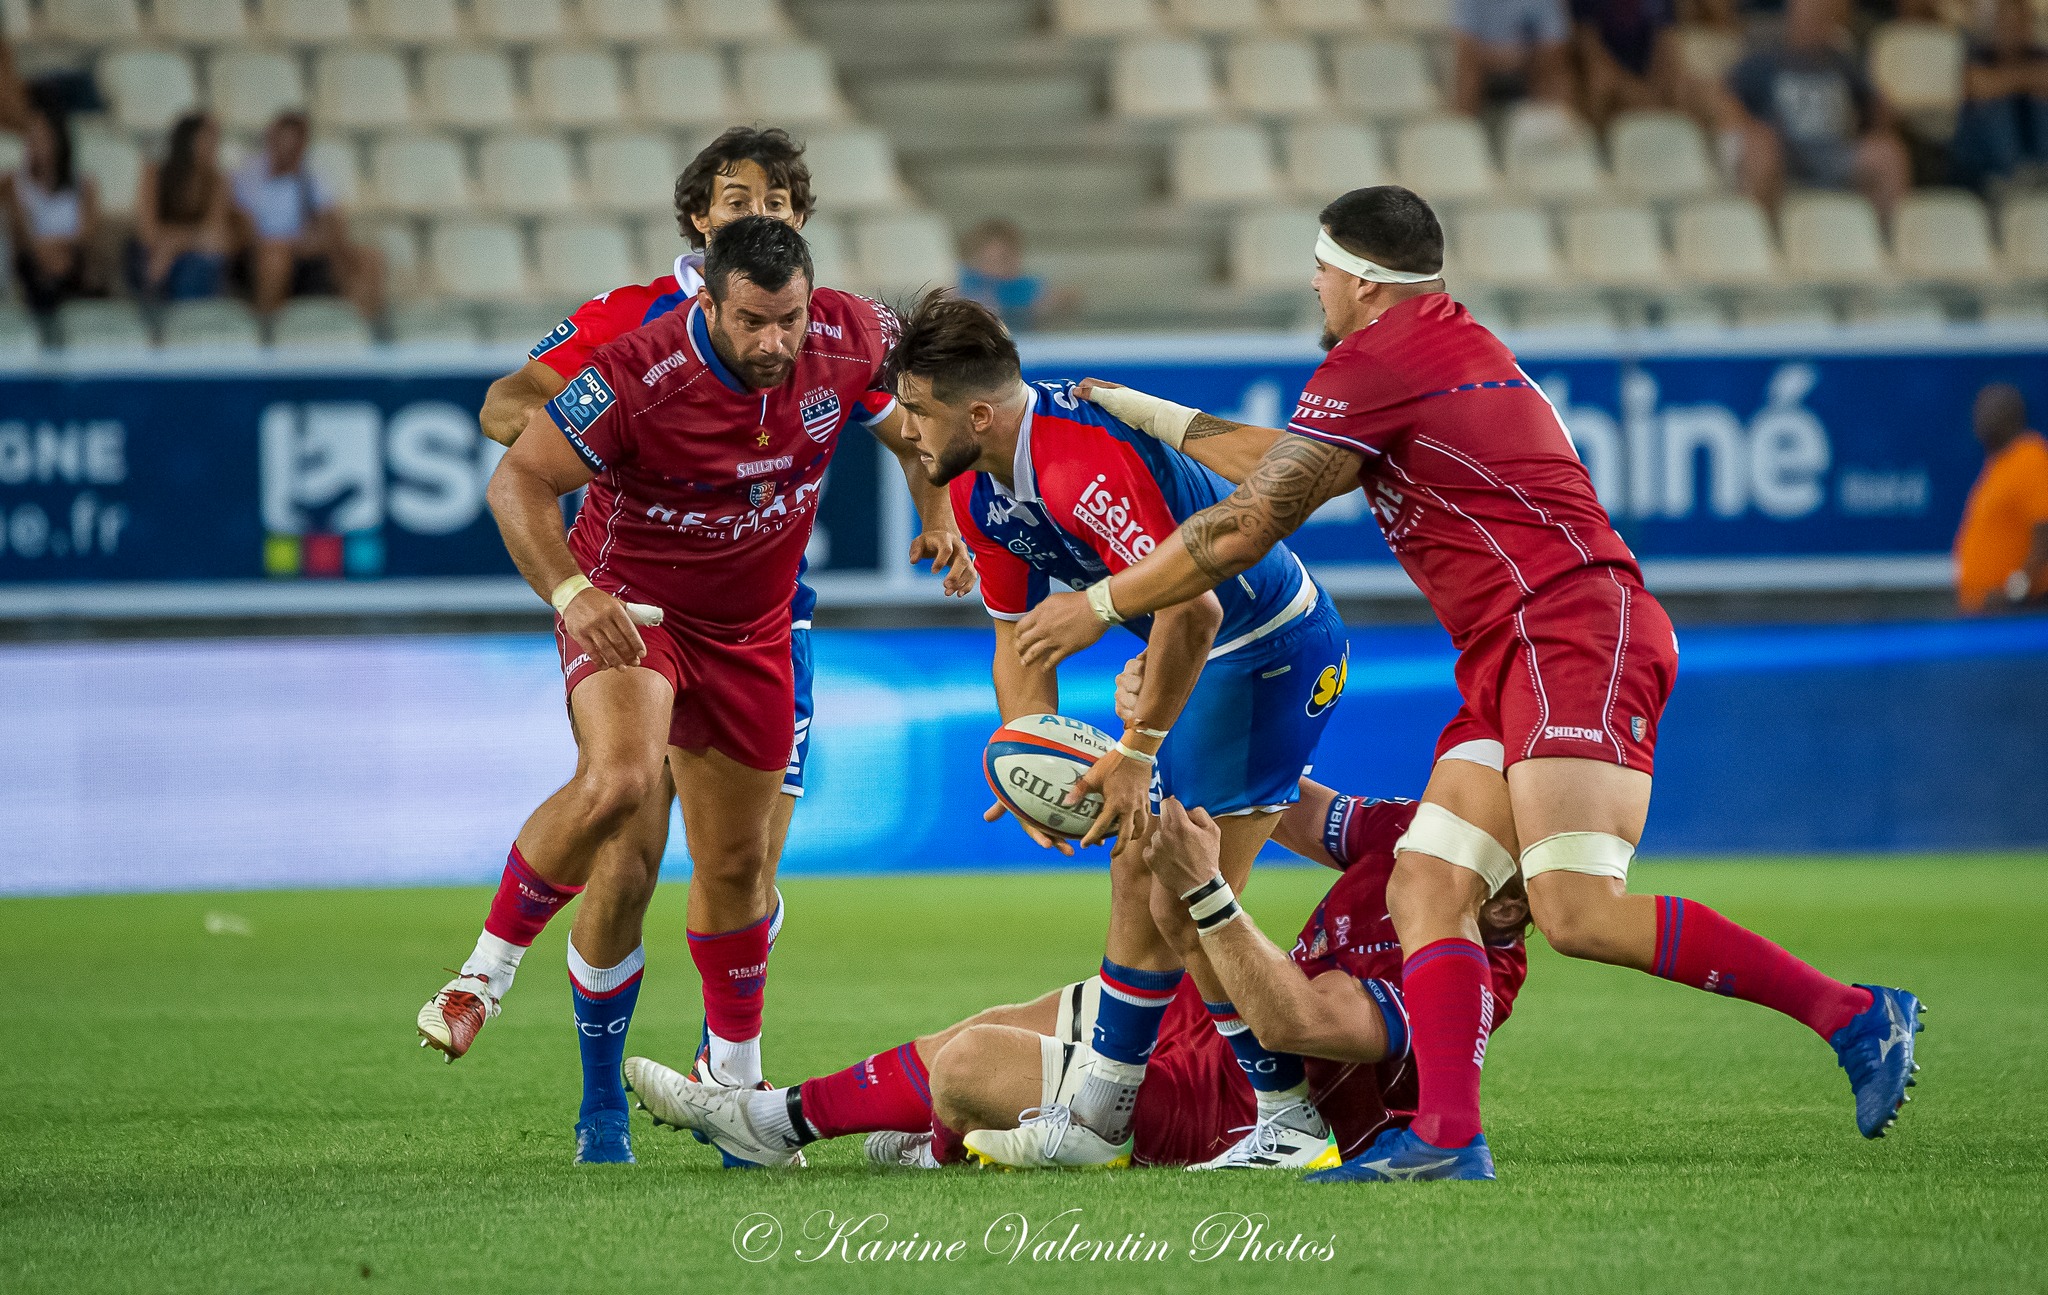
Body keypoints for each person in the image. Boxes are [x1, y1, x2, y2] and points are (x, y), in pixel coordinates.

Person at [1011, 185, 1923, 1182]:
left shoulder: (1380, 360)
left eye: (1320, 270)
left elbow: (1247, 521)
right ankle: (1447, 1136)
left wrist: (1100, 605)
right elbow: (1289, 466)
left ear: (1359, 281)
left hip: (1569, 629)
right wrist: (1156, 414)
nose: (1313, 286)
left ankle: (1854, 1012)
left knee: (1571, 908)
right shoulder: (1424, 348)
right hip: (1512, 648)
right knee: (1427, 883)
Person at [416, 129, 974, 1133]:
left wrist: (938, 511)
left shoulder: (843, 335)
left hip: (764, 623)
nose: (774, 340)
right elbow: (513, 438)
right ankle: (500, 998)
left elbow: (910, 418)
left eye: (773, 201)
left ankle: (736, 1096)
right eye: (733, 199)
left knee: (740, 870)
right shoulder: (636, 345)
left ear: (802, 228)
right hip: (631, 610)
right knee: (625, 809)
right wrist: (590, 436)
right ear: (701, 250)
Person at [856, 293, 1351, 1170]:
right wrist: (1028, 755)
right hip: (1211, 652)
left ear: (977, 412)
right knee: (1149, 880)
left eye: (919, 412)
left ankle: (1278, 1118)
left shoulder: (1077, 464)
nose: (906, 432)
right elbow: (1018, 638)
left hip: (1267, 647)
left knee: (1174, 885)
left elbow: (1194, 608)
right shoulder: (977, 484)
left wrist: (1135, 752)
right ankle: (1102, 1118)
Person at [622, 788, 1531, 1172]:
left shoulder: (1471, 977)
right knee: (1000, 1020)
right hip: (1215, 1010)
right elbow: (1286, 798)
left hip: (1256, 1096)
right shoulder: (1426, 833)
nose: (1517, 903)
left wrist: (1210, 889)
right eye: (1517, 873)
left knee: (970, 1065)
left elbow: (1297, 1021)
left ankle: (832, 1126)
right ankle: (794, 1124)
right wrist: (1156, 737)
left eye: (1535, 892)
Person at [1717, 0, 1911, 218]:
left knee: (1888, 155)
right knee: (1760, 147)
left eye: (1822, 16)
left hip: (1835, 153)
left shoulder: (1842, 63)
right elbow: (1727, 95)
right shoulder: (1765, 61)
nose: (1815, 22)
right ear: (1792, 17)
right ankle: (1758, 238)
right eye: (1809, 14)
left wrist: (1878, 124)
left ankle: (1886, 244)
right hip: (1785, 153)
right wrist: (1748, 127)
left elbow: (1874, 104)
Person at [229, 111, 383, 322]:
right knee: (275, 257)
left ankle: (357, 328)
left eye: (296, 143)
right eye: (286, 142)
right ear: (273, 140)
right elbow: (243, 229)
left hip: (304, 253)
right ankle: (270, 328)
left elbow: (332, 219)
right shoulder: (250, 175)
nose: (291, 149)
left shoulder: (311, 177)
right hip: (261, 254)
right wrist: (289, 244)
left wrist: (323, 242)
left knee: (369, 258)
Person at [1954, 383, 2048, 612]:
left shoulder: (2029, 456)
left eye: (1989, 410)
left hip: (2019, 613)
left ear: (2012, 415)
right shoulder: (1999, 464)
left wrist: (2015, 591)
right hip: (1986, 610)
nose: (1979, 418)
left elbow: (2044, 532)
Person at [2, 103, 101, 315]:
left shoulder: (84, 184)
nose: (36, 143)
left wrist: (61, 250)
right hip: (31, 262)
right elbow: (20, 233)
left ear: (58, 139)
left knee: (73, 270)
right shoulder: (13, 182)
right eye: (32, 136)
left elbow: (87, 233)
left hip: (72, 261)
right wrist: (44, 252)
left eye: (44, 136)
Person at [131, 112, 232, 301]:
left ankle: (187, 324)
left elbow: (217, 237)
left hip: (184, 257)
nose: (213, 146)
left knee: (201, 265)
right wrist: (189, 239)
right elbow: (147, 232)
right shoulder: (155, 173)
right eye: (207, 139)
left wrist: (174, 244)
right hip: (153, 254)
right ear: (187, 140)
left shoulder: (217, 181)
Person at [1951, 0, 2048, 190]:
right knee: (1995, 107)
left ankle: (2038, 173)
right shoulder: (1978, 55)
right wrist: (2026, 80)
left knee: (2041, 105)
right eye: (2006, 23)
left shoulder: (2039, 55)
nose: (2012, 30)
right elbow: (1979, 86)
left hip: (2036, 158)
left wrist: (2004, 80)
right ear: (1995, 25)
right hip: (1984, 166)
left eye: (2018, 22)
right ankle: (2011, 177)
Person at [1454, 0, 1579, 115]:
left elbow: (1554, 46)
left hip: (1531, 69)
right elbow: (1466, 45)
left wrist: (1520, 57)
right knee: (1467, 67)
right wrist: (1514, 56)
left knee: (1557, 70)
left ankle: (1551, 126)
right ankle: (1464, 127)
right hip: (1483, 69)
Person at [1572, 0, 1684, 128]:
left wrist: (1660, 90)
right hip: (1611, 75)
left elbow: (1667, 48)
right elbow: (1591, 53)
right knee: (1599, 85)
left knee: (1684, 88)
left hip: (1648, 78)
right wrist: (1638, 93)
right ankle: (1601, 142)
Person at [955, 219, 1074, 331]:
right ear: (974, 260)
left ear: (1017, 257)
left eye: (1004, 259)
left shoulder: (1025, 286)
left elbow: (1068, 297)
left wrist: (1049, 304)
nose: (997, 269)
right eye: (989, 260)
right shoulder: (965, 283)